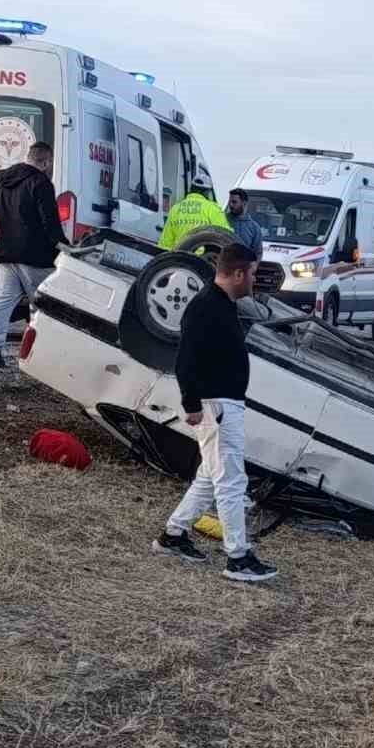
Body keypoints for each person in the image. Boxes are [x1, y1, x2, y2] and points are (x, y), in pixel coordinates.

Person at [153, 243, 278, 584]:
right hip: (216, 406)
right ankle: (237, 557)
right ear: (238, 273)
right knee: (231, 481)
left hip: (222, 403)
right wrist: (191, 403)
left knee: (210, 478)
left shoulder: (221, 304)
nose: (254, 279)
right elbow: (185, 360)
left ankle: (174, 535)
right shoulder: (207, 307)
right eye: (252, 273)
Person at [0, 142, 68, 367]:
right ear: (46, 162)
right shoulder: (41, 183)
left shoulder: (4, 182)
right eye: (50, 164)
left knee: (3, 301)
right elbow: (49, 221)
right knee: (46, 304)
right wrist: (64, 247)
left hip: (6, 252)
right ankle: (45, 357)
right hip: (35, 256)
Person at [158, 181, 231, 250]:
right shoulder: (212, 209)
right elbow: (227, 236)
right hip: (202, 259)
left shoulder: (175, 209)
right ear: (206, 192)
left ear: (191, 189)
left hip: (179, 258)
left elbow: (165, 243)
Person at [225, 189, 263, 260]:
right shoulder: (222, 220)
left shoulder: (254, 227)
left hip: (242, 268)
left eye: (234, 202)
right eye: (229, 202)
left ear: (244, 203)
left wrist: (253, 267)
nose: (230, 205)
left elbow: (258, 252)